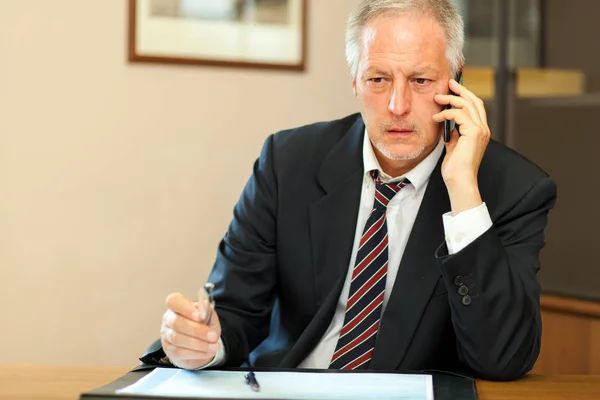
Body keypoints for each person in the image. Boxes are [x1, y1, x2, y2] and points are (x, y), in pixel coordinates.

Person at [141, 0, 557, 381]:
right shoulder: (288, 163)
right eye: (378, 79)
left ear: (456, 82)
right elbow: (233, 309)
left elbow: (503, 359)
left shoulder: (513, 189)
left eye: (420, 80)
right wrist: (205, 342)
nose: (397, 105)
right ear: (354, 81)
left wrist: (464, 191)